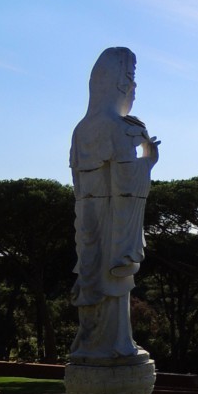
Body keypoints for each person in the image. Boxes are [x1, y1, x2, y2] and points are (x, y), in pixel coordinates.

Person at [69, 47, 159, 361]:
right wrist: (148, 161)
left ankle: (93, 344)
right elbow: (125, 183)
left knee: (95, 284)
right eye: (131, 78)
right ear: (119, 82)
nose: (134, 88)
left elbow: (79, 185)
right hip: (112, 226)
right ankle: (115, 345)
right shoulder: (121, 128)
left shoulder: (81, 130)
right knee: (114, 287)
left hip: (88, 226)